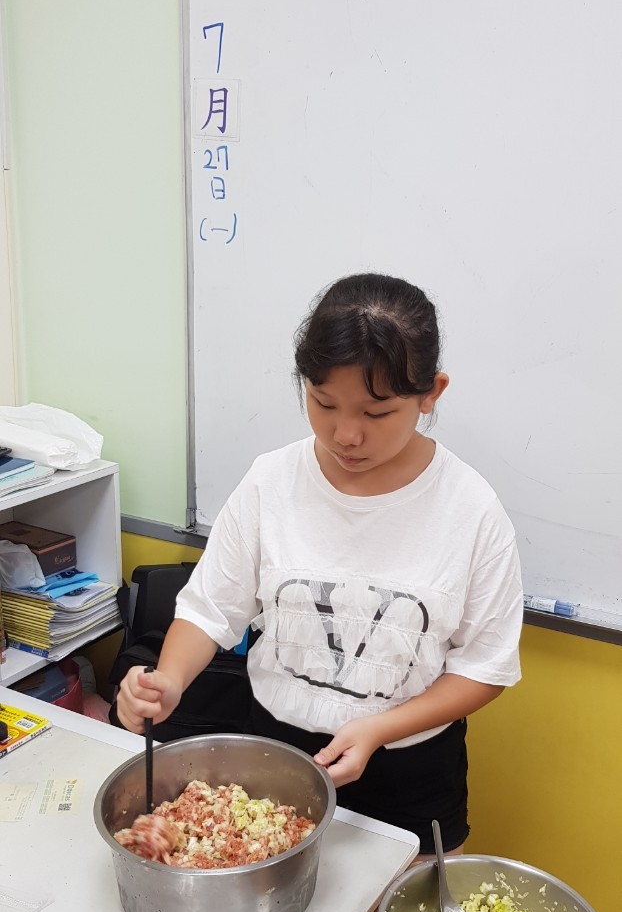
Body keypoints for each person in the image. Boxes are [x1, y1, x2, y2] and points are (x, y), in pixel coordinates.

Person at [116, 274, 523, 857]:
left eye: (377, 412)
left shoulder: (471, 509)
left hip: (409, 767)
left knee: (400, 909)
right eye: (323, 403)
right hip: (275, 751)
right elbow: (210, 609)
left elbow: (485, 666)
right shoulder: (271, 481)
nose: (345, 434)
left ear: (431, 393)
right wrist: (169, 681)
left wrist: (379, 728)